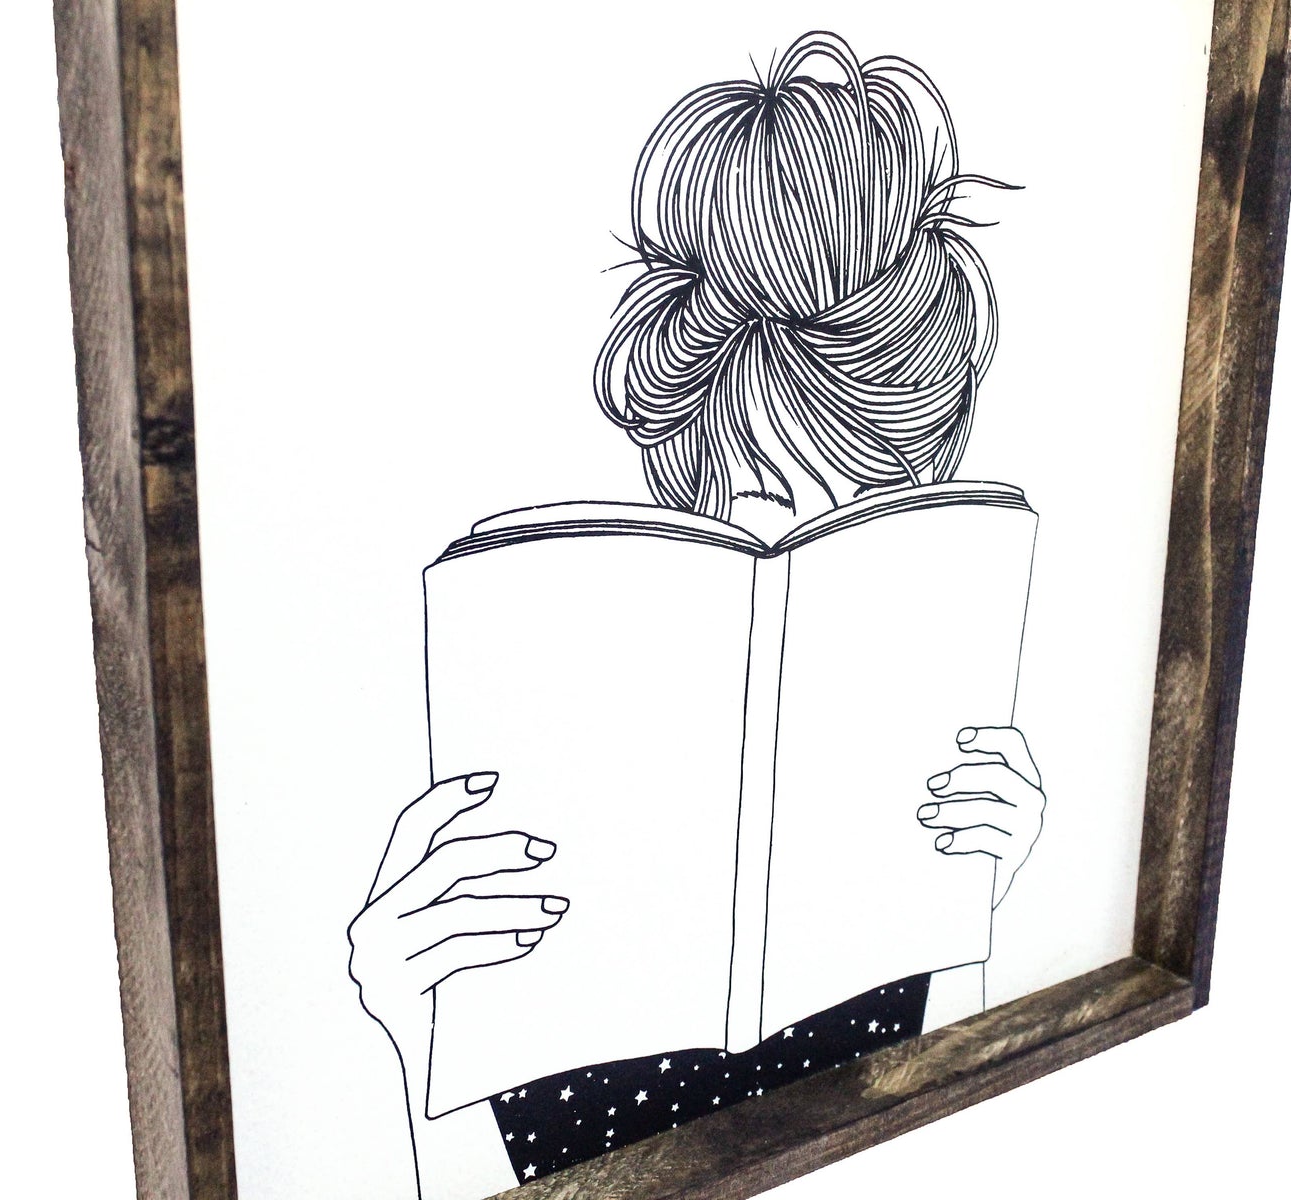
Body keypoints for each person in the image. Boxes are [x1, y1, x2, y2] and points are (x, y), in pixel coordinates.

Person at [348, 32, 1046, 1199]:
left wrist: (981, 905)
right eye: (767, 505)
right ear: (693, 470)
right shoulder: (560, 715)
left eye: (865, 511)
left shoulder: (914, 749)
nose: (803, 556)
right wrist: (418, 1024)